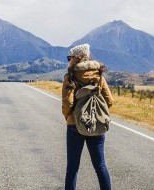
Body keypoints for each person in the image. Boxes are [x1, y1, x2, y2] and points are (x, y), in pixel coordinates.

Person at [62, 44, 114, 190]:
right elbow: (109, 101)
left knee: (72, 167)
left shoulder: (70, 76)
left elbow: (67, 103)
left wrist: (68, 117)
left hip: (74, 125)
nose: (68, 60)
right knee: (100, 166)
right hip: (96, 124)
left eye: (69, 57)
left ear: (75, 58)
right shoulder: (99, 76)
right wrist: (96, 111)